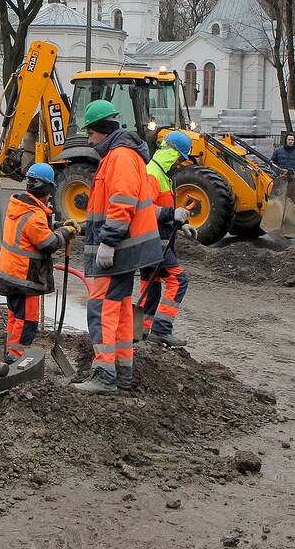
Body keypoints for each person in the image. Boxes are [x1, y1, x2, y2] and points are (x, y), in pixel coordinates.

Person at [73, 100, 162, 394]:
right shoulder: (121, 154)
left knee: (101, 308)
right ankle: (122, 371)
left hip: (118, 247)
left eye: (90, 133)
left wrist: (108, 241)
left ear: (100, 130)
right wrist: (90, 228)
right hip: (123, 245)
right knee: (122, 307)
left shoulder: (121, 156)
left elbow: (122, 202)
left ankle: (104, 374)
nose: (89, 140)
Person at [0, 163, 72, 362]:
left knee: (15, 316)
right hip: (24, 278)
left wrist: (57, 225)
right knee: (27, 321)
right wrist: (65, 232)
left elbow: (36, 230)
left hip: (11, 274)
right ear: (47, 189)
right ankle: (16, 357)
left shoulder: (21, 206)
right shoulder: (34, 215)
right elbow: (48, 242)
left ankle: (10, 352)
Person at [138, 131, 198, 348]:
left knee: (151, 284)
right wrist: (172, 215)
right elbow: (143, 209)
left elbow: (163, 209)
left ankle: (143, 329)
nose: (180, 164)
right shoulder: (153, 174)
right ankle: (161, 330)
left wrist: (181, 224)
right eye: (180, 159)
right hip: (153, 241)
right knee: (178, 280)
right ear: (171, 153)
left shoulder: (161, 174)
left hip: (154, 240)